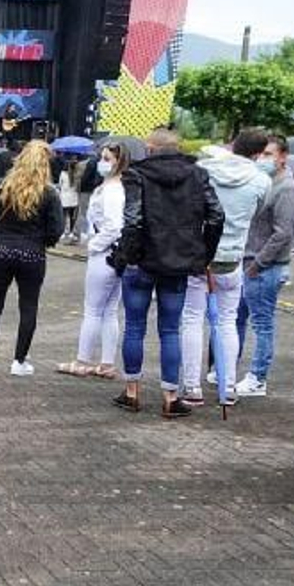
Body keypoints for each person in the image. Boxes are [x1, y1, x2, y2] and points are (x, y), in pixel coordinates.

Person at [108, 127, 224, 417]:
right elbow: (216, 215)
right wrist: (202, 254)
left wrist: (127, 256)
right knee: (171, 328)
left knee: (135, 326)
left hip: (142, 261)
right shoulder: (197, 175)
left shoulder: (136, 175)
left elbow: (133, 221)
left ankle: (132, 392)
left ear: (150, 149)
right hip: (179, 262)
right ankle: (171, 396)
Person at [180, 132, 271, 407]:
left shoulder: (203, 171)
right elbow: (258, 211)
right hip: (232, 258)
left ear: (233, 146)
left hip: (199, 254)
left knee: (192, 318)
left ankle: (192, 386)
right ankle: (227, 385)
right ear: (257, 153)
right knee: (227, 321)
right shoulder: (261, 180)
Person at [0, 141, 63, 375]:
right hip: (32, 253)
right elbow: (56, 229)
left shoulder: (1, 187)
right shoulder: (49, 193)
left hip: (1, 250)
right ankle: (19, 362)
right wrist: (43, 241)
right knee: (28, 307)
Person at [234, 134, 294, 399]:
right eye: (261, 154)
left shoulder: (287, 188)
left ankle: (257, 377)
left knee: (262, 324)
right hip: (251, 261)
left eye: (269, 155)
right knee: (240, 317)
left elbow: (284, 233)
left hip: (264, 266)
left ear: (283, 157)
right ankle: (230, 368)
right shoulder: (264, 182)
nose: (263, 159)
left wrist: (258, 264)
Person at [58, 140, 129, 377]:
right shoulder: (115, 188)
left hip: (105, 253)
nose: (102, 163)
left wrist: (94, 245)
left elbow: (113, 226)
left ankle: (83, 360)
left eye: (108, 159)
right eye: (102, 158)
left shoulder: (111, 190)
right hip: (115, 254)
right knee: (109, 310)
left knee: (93, 310)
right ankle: (106, 362)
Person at [57, 155, 82, 243]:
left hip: (64, 197)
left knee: (64, 216)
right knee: (72, 216)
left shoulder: (63, 174)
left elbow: (60, 185)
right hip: (74, 198)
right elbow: (78, 187)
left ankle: (64, 232)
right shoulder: (77, 175)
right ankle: (71, 232)